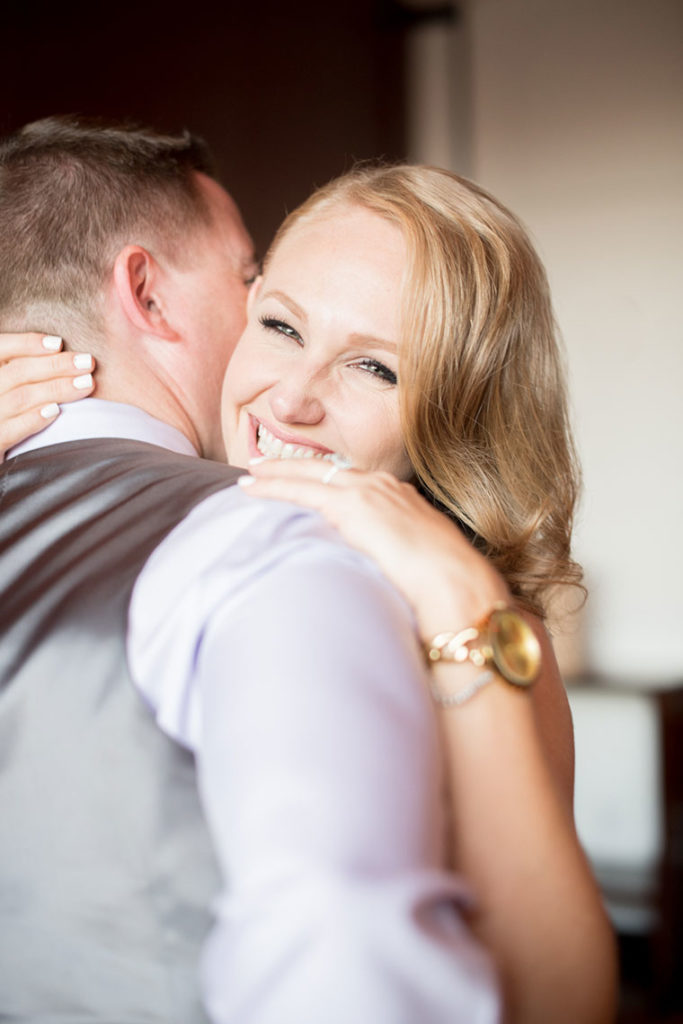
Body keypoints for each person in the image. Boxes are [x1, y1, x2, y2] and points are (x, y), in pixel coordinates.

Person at [0, 123, 617, 1023]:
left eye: (373, 366)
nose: (290, 398)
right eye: (278, 323)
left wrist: (461, 600)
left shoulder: (481, 630)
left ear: (448, 415)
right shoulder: (160, 541)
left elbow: (559, 1000)